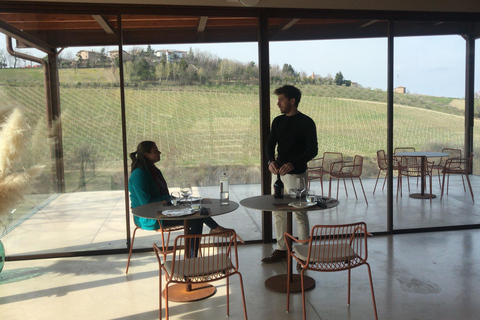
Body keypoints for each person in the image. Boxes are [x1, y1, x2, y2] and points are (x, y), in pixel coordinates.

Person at [128, 141, 231, 242]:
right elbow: (147, 203)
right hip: (151, 217)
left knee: (197, 208)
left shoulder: (152, 171)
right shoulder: (139, 174)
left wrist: (173, 201)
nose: (160, 152)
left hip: (162, 210)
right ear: (147, 155)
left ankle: (197, 250)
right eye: (156, 151)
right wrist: (170, 199)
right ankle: (212, 233)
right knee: (197, 218)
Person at [262, 85, 318, 263]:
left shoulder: (306, 122)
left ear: (292, 101)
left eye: (281, 99)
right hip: (278, 174)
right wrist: (271, 161)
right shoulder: (277, 121)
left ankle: (304, 255)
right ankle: (282, 249)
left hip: (297, 175)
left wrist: (294, 164)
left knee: (300, 214)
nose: (278, 103)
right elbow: (269, 145)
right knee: (278, 212)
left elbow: (313, 150)